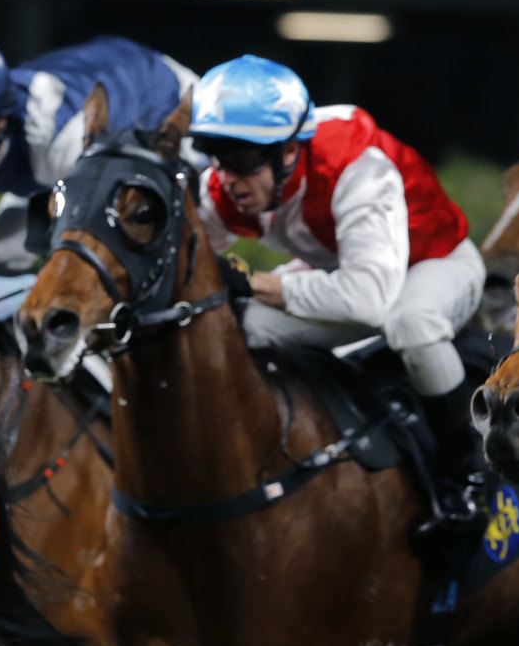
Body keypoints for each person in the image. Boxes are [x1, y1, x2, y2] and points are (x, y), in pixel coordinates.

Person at [189, 53, 487, 541]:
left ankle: (466, 473)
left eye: (241, 159)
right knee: (241, 326)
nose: (227, 177)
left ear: (289, 151)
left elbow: (369, 301)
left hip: (433, 263)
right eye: (215, 156)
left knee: (410, 323)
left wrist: (257, 282)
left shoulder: (353, 164)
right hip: (343, 269)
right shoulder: (225, 185)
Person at [0, 31, 199, 308]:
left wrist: (30, 286)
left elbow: (99, 248)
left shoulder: (58, 137)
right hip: (64, 144)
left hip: (164, 98)